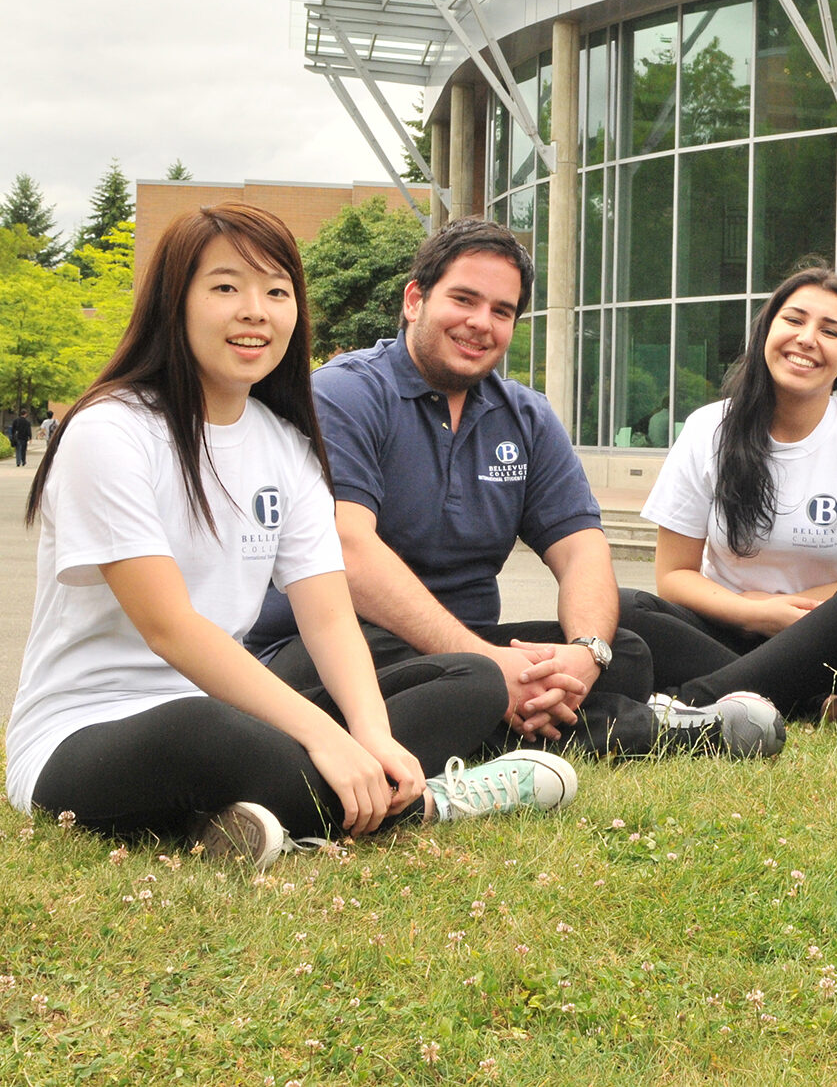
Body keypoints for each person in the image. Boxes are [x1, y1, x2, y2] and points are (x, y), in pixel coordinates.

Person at [7, 205, 575, 868]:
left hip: (233, 710)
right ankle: (438, 799)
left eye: (276, 292)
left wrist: (367, 731)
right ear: (175, 302)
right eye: (225, 288)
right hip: (90, 732)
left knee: (472, 677)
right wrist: (324, 738)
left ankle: (248, 814)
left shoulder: (285, 446)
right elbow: (170, 628)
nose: (256, 311)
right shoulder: (111, 431)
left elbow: (330, 619)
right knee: (204, 730)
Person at [246, 217, 781, 758]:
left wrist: (585, 653)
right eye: (464, 299)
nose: (482, 323)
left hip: (470, 651)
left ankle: (516, 711)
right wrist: (484, 663)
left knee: (628, 651)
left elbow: (581, 551)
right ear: (415, 300)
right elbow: (349, 550)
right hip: (327, 645)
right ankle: (654, 731)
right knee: (452, 680)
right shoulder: (346, 394)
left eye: (502, 311)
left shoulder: (525, 415)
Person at [616, 266, 837, 718]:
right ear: (766, 333)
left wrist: (790, 610)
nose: (807, 338)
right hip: (725, 625)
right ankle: (814, 705)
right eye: (794, 320)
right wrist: (752, 612)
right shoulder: (709, 428)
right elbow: (673, 576)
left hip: (821, 637)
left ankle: (693, 703)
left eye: (830, 331)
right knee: (625, 607)